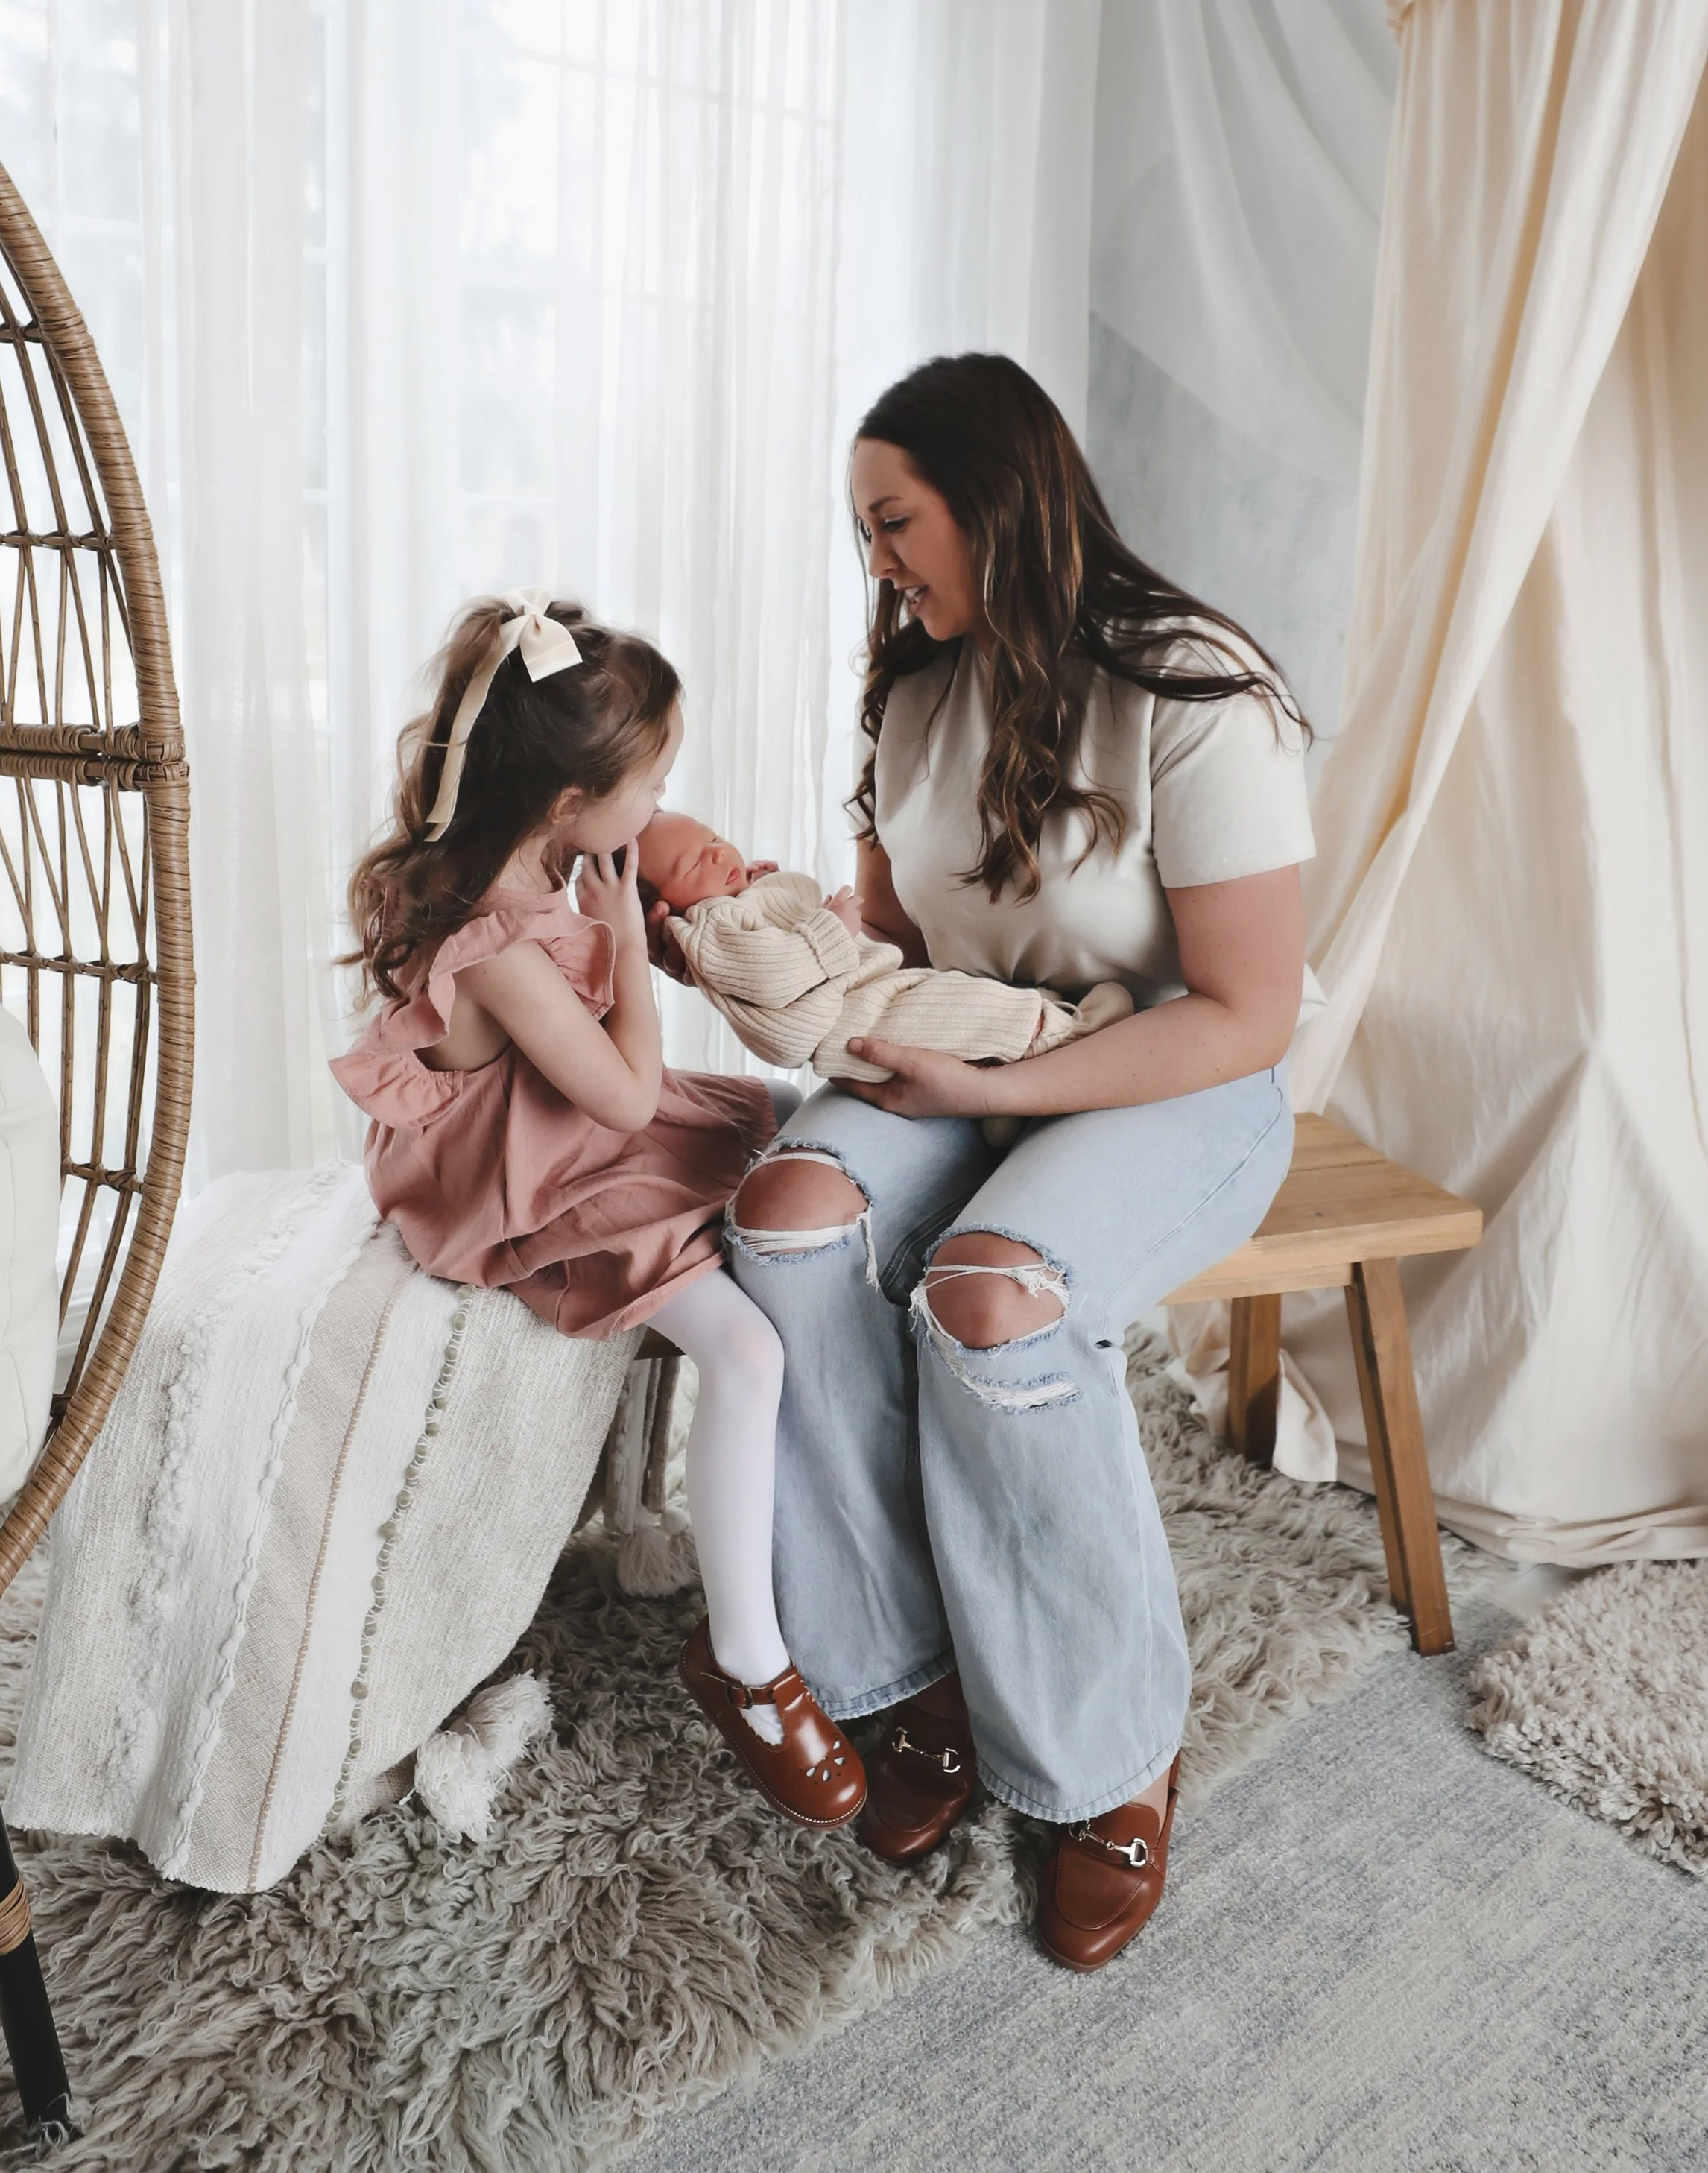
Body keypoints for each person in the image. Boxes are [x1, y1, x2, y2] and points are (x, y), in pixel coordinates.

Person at [711, 355, 1314, 1970]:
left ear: (995, 498)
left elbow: (1247, 1012)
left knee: (990, 1302)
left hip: (1171, 1074)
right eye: (864, 533)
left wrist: (1007, 1079)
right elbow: (901, 933)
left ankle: (1104, 1758)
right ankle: (897, 1675)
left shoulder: (1194, 692)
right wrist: (791, 949)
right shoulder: (910, 686)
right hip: (970, 1057)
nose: (878, 564)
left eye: (893, 522)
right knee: (777, 1228)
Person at [332, 591, 864, 1832]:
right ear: (564, 803)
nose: (664, 797)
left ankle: (824, 1538)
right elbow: (624, 1096)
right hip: (536, 1176)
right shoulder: (500, 940)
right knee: (746, 1347)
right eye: (651, 774)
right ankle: (748, 1662)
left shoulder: (547, 853)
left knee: (797, 1132)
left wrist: (730, 915)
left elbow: (633, 1027)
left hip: (573, 1117)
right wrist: (626, 936)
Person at [636, 806, 1133, 1085]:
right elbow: (774, 973)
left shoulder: (734, 904)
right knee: (962, 1012)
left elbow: (791, 920)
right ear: (667, 908)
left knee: (956, 1005)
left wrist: (773, 884)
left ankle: (1018, 1062)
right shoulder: (706, 924)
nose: (717, 854)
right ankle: (1071, 1035)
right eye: (691, 864)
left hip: (871, 991)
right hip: (855, 1019)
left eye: (715, 838)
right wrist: (830, 928)